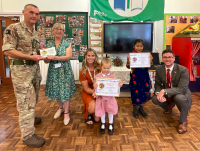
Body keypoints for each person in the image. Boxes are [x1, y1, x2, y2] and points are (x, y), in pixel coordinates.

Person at [2, 4, 45, 148]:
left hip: (34, 71)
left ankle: (30, 118)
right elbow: (7, 50)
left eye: (37, 14)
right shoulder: (13, 28)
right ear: (24, 13)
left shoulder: (35, 32)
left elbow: (36, 51)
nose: (34, 16)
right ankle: (27, 135)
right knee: (25, 102)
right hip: (21, 72)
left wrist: (44, 54)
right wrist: (29, 57)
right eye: (31, 12)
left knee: (34, 98)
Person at [151, 48, 192, 134]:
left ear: (174, 58)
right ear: (162, 58)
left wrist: (165, 91)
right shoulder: (159, 69)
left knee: (179, 98)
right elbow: (157, 83)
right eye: (165, 57)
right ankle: (169, 106)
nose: (167, 59)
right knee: (155, 98)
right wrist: (159, 93)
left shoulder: (183, 70)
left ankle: (183, 121)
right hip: (167, 91)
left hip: (180, 92)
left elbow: (182, 88)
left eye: (170, 57)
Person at [44, 23, 76, 125]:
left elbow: (68, 56)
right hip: (53, 71)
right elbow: (46, 61)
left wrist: (56, 57)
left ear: (63, 32)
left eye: (61, 29)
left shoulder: (67, 43)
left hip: (65, 71)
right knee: (57, 90)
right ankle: (60, 108)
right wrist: (47, 58)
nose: (59, 31)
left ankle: (66, 112)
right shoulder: (49, 44)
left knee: (65, 91)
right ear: (53, 30)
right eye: (57, 29)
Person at [93, 58, 123, 135]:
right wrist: (95, 85)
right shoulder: (98, 76)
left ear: (110, 67)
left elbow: (116, 85)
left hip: (110, 98)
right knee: (102, 110)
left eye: (108, 68)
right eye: (104, 68)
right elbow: (95, 85)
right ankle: (103, 123)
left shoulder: (112, 76)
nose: (106, 70)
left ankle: (110, 123)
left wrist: (119, 84)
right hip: (101, 98)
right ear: (101, 67)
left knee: (110, 110)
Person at [126, 39, 153, 119]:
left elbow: (149, 66)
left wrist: (150, 60)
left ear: (143, 47)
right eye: (137, 46)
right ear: (134, 46)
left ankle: (141, 108)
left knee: (143, 92)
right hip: (135, 77)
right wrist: (128, 61)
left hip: (144, 76)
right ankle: (135, 108)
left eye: (141, 46)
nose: (139, 48)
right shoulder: (131, 55)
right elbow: (128, 67)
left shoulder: (145, 56)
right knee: (135, 92)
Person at [79, 48, 101, 125]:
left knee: (97, 120)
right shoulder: (82, 71)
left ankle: (92, 106)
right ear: (85, 56)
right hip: (88, 92)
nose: (91, 58)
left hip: (100, 91)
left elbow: (108, 78)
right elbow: (86, 88)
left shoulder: (100, 67)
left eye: (92, 55)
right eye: (89, 55)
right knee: (92, 109)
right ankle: (88, 110)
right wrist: (94, 92)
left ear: (95, 57)